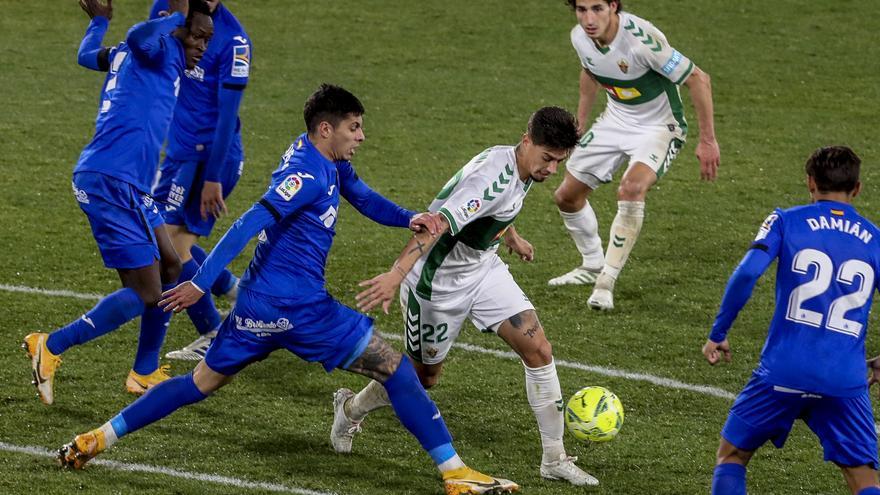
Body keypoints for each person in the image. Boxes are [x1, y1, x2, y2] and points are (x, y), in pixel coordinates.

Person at [58, 84, 519, 495]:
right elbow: (246, 222)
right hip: (299, 308)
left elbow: (359, 194)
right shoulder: (307, 176)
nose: (361, 137)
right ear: (326, 128)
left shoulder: (322, 161)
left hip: (255, 306)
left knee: (197, 384)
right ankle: (455, 472)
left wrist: (407, 218)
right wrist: (199, 283)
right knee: (397, 371)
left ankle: (98, 437)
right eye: (354, 128)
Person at [339, 107, 598, 486]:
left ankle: (554, 458)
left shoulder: (521, 165)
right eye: (547, 159)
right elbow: (435, 225)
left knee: (539, 348)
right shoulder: (490, 180)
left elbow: (498, 208)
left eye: (560, 162)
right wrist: (396, 274)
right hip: (437, 284)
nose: (552, 170)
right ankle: (349, 409)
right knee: (424, 378)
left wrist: (510, 236)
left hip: (483, 269)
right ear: (527, 142)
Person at [22, 0, 213, 404]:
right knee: (147, 292)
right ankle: (50, 345)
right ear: (178, 30)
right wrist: (174, 19)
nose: (202, 45)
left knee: (172, 264)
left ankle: (144, 372)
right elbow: (139, 35)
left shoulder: (145, 55)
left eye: (207, 39)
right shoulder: (156, 46)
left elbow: (86, 55)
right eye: (197, 36)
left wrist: (98, 21)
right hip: (111, 180)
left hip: (133, 186)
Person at [702, 147, 880, 495]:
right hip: (844, 380)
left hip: (782, 373)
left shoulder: (786, 220)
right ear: (857, 188)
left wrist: (718, 333)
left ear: (810, 183)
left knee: (732, 456)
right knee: (865, 479)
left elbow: (746, 274)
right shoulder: (875, 238)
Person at [549, 0, 721, 312]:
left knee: (631, 189)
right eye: (582, 9)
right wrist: (581, 122)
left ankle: (606, 282)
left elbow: (699, 78)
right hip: (616, 119)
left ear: (614, 6)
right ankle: (591, 265)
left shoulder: (642, 43)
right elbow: (590, 72)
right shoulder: (579, 36)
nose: (589, 18)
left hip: (659, 126)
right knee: (566, 196)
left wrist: (707, 140)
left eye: (597, 8)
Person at [147, 0, 252, 362]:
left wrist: (212, 179)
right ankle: (231, 286)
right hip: (177, 151)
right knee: (155, 231)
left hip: (209, 158)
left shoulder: (234, 41)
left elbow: (227, 117)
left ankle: (213, 333)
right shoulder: (166, 8)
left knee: (173, 248)